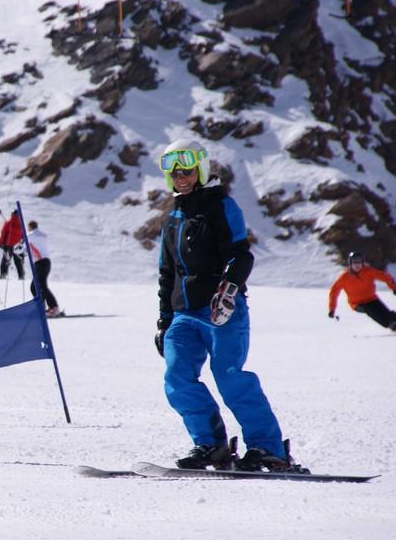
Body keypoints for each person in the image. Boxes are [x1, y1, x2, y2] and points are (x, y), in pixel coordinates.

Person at [154, 139, 303, 473]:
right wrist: (164, 321)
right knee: (177, 378)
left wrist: (229, 289)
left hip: (220, 310)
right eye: (173, 171)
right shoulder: (173, 216)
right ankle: (210, 445)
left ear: (201, 169)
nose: (181, 177)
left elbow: (241, 254)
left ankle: (268, 449)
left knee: (230, 377)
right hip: (182, 315)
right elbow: (167, 273)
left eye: (187, 170)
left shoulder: (221, 206)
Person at [328, 251, 396, 331]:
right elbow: (334, 292)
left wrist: (394, 287)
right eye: (354, 262)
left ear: (362, 263)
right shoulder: (344, 277)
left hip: (372, 299)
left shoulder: (369, 271)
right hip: (357, 304)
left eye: (359, 262)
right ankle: (390, 325)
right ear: (350, 264)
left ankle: (393, 322)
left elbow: (385, 277)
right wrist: (332, 309)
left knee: (386, 313)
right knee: (374, 312)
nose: (357, 265)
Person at [25, 220, 63, 318]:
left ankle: (53, 307)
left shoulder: (31, 236)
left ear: (30, 227)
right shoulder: (41, 235)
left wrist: (22, 241)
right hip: (44, 262)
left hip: (41, 262)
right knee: (35, 286)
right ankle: (42, 308)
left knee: (40, 286)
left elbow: (24, 244)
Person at [0, 213, 25, 280]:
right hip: (18, 246)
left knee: (6, 260)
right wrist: (22, 243)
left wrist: (0, 243)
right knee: (18, 261)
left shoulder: (8, 223)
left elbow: (3, 233)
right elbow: (23, 235)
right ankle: (21, 275)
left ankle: (3, 274)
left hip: (8, 245)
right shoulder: (21, 224)